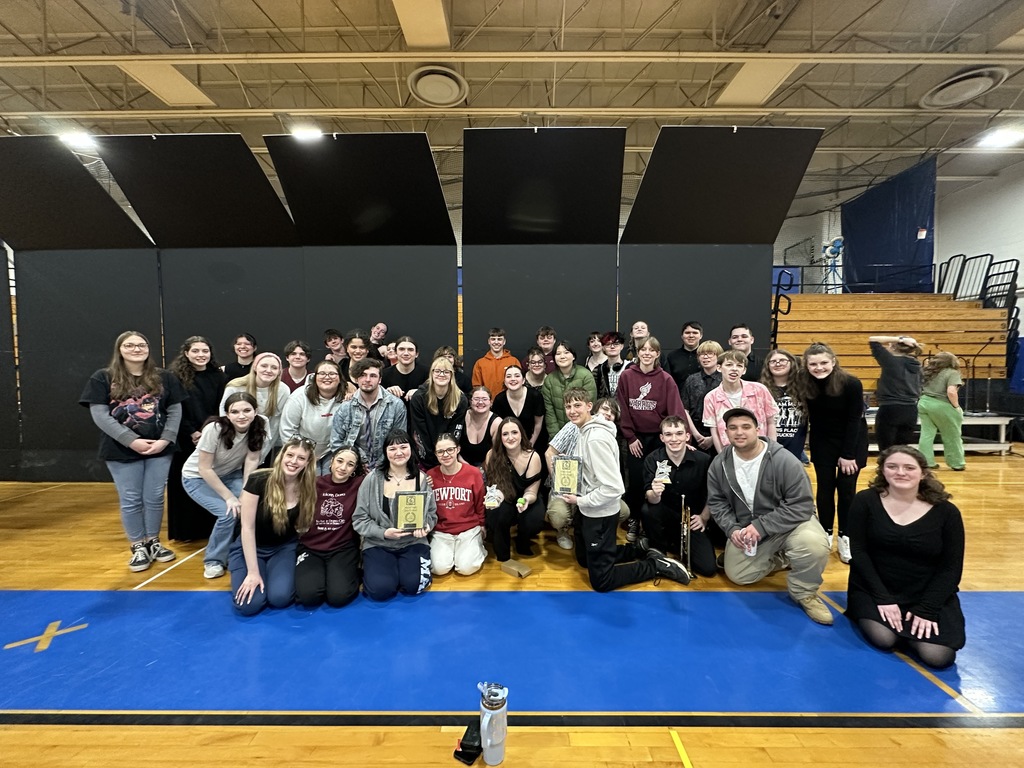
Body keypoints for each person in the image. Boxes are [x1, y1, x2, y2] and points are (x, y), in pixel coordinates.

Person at [707, 408, 833, 625]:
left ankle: (805, 593)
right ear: (725, 432)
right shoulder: (720, 464)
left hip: (791, 524)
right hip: (750, 529)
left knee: (813, 545)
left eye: (746, 427)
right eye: (733, 428)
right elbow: (717, 503)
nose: (739, 432)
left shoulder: (784, 460)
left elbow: (801, 505)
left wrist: (762, 526)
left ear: (758, 429)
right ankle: (783, 557)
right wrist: (732, 529)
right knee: (738, 575)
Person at [558, 388, 692, 591]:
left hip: (599, 512)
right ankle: (639, 549)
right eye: (568, 406)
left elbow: (613, 488)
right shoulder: (583, 431)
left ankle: (655, 565)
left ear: (589, 406)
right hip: (588, 509)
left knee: (602, 582)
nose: (572, 410)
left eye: (577, 405)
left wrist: (580, 501)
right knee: (584, 559)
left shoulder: (595, 439)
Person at [846, 446, 965, 668]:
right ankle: (901, 629)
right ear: (882, 471)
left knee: (938, 657)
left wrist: (927, 609)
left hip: (924, 589)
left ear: (923, 473)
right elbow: (859, 552)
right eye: (892, 466)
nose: (900, 472)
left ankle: (912, 629)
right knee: (884, 639)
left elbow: (951, 568)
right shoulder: (865, 501)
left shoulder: (947, 512)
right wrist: (883, 598)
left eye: (909, 467)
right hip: (876, 586)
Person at [80, 331, 187, 572]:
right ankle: (138, 546)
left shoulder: (165, 378)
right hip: (121, 449)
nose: (136, 349)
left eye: (141, 345)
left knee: (155, 497)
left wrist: (166, 439)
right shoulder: (103, 378)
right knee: (131, 499)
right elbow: (100, 415)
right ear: (120, 350)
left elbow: (175, 410)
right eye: (130, 345)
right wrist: (131, 440)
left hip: (160, 448)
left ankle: (153, 542)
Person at [181, 392, 270, 579]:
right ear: (227, 415)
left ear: (255, 411)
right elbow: (204, 469)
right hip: (197, 477)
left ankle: (239, 552)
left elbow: (252, 459)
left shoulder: (262, 423)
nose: (241, 415)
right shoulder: (214, 429)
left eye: (247, 410)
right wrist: (229, 497)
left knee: (251, 506)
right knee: (228, 513)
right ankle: (213, 560)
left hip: (231, 474)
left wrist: (247, 491)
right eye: (235, 411)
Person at [231, 436, 317, 615]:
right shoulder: (258, 479)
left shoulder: (308, 486)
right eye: (290, 455)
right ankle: (254, 571)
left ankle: (272, 576)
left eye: (301, 458)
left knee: (280, 598)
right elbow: (247, 528)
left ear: (308, 463)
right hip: (251, 546)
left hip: (283, 548)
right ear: (282, 455)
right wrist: (253, 572)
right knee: (249, 606)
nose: (293, 461)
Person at [800, 343, 869, 565]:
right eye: (813, 364)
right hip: (823, 441)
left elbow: (854, 419)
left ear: (833, 362)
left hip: (852, 440)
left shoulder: (851, 383)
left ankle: (845, 537)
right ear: (807, 365)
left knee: (847, 491)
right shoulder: (805, 383)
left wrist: (848, 454)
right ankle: (826, 534)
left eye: (823, 363)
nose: (819, 368)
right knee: (825, 489)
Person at [352, 429, 437, 601]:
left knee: (415, 586)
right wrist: (383, 533)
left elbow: (431, 514)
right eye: (392, 448)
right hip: (378, 543)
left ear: (411, 449)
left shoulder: (422, 479)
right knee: (380, 591)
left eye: (403, 447)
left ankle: (400, 571)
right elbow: (359, 519)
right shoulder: (372, 479)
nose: (398, 452)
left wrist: (426, 526)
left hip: (413, 542)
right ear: (385, 452)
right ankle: (384, 571)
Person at [545, 398, 630, 550]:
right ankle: (563, 531)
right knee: (559, 515)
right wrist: (561, 479)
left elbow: (611, 483)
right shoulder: (573, 426)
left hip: (590, 492)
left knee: (623, 511)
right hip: (567, 489)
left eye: (613, 413)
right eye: (605, 409)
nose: (608, 414)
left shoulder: (603, 435)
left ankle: (598, 534)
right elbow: (549, 453)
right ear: (593, 409)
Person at [615, 335, 684, 524]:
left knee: (659, 480)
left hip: (658, 438)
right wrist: (630, 437)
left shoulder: (666, 379)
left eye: (651, 350)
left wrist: (679, 439)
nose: (647, 353)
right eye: (643, 349)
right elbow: (622, 407)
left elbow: (675, 412)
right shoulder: (627, 376)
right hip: (636, 439)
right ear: (638, 353)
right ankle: (635, 520)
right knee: (636, 480)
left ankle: (653, 521)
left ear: (657, 353)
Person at [166, 335, 226, 542]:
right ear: (186, 353)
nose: (201, 355)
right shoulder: (174, 377)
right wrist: (191, 432)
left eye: (205, 351)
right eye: (196, 351)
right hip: (185, 438)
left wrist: (211, 431)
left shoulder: (217, 376)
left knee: (209, 482)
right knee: (184, 482)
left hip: (212, 436)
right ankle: (186, 532)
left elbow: (221, 406)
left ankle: (208, 530)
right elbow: (174, 409)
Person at [641, 415, 717, 576]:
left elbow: (715, 493)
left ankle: (672, 543)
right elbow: (650, 498)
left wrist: (704, 517)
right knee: (648, 509)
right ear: (662, 438)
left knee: (708, 569)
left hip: (691, 519)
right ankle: (659, 549)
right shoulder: (652, 459)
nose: (674, 439)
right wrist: (655, 493)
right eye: (668, 434)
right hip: (664, 515)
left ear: (687, 436)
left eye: (679, 433)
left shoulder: (703, 460)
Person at [295, 446, 365, 608]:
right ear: (331, 462)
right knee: (308, 597)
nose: (343, 467)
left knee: (338, 597)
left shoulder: (359, 484)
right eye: (340, 461)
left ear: (354, 469)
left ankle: (351, 574)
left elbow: (386, 477)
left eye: (350, 464)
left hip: (342, 548)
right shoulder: (313, 483)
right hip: (311, 548)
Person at [483, 417, 545, 560]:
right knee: (496, 514)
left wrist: (525, 500)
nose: (510, 437)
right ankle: (502, 552)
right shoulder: (491, 455)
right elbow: (495, 487)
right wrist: (496, 499)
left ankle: (522, 542)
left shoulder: (533, 456)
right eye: (505, 434)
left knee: (534, 522)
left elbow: (532, 491)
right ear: (500, 437)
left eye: (514, 433)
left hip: (526, 498)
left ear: (521, 434)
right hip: (504, 496)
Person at [329, 358, 408, 471]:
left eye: (373, 376)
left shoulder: (396, 405)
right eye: (363, 375)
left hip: (387, 466)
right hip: (354, 466)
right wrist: (357, 463)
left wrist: (380, 466)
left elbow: (399, 442)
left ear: (380, 379)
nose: (367, 379)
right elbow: (336, 442)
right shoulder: (345, 407)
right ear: (356, 379)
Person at [427, 433, 487, 576]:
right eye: (440, 451)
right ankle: (452, 553)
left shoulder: (473, 473)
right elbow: (426, 507)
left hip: (468, 529)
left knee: (466, 568)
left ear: (458, 449)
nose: (445, 454)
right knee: (438, 568)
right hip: (441, 532)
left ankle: (476, 548)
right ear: (435, 454)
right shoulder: (430, 476)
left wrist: (482, 525)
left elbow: (480, 502)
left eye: (450, 450)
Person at [702, 350, 778, 453]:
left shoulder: (760, 390)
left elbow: (771, 422)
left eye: (739, 366)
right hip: (729, 451)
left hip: (760, 449)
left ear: (744, 370)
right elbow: (714, 432)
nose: (734, 369)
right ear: (719, 368)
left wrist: (771, 451)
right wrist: (722, 455)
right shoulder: (711, 397)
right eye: (729, 365)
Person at [280, 359, 347, 474]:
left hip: (333, 451)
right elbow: (287, 430)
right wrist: (301, 455)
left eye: (332, 374)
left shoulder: (348, 398)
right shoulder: (299, 397)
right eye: (322, 373)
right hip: (303, 451)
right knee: (311, 481)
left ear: (340, 378)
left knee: (328, 483)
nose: (327, 377)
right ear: (315, 377)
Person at [221, 351, 291, 448]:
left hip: (260, 440)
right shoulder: (235, 387)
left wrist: (263, 450)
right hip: (233, 438)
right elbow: (224, 414)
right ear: (255, 367)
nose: (268, 370)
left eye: (274, 368)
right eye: (264, 366)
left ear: (279, 371)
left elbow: (275, 424)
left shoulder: (283, 390)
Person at [410, 357, 469, 469]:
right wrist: (432, 459)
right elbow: (420, 433)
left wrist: (446, 455)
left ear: (452, 375)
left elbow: (455, 431)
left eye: (446, 372)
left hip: (449, 457)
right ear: (431, 373)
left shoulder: (460, 399)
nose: (442, 374)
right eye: (437, 371)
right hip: (425, 457)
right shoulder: (419, 398)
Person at [868, 335, 923, 450]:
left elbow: (873, 339)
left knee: (886, 448)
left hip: (891, 408)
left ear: (893, 347)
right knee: (902, 448)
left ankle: (885, 467)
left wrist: (899, 339)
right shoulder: (916, 364)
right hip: (911, 409)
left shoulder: (890, 361)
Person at [917, 352, 965, 471]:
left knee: (927, 434)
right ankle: (957, 463)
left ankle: (926, 462)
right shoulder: (952, 373)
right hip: (942, 404)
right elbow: (951, 391)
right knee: (952, 435)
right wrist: (956, 407)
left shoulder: (928, 372)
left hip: (924, 402)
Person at [541, 340, 597, 437]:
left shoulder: (585, 375)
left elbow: (589, 407)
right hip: (559, 433)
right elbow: (549, 412)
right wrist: (557, 437)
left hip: (583, 431)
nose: (562, 356)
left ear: (573, 356)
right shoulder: (549, 380)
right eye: (558, 354)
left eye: (566, 352)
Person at [760, 348, 808, 460]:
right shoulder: (761, 389)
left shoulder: (803, 388)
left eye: (782, 360)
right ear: (767, 366)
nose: (777, 363)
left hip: (794, 445)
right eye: (773, 361)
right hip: (768, 445)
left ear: (791, 363)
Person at [493, 364, 546, 453]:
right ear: (505, 381)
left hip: (535, 442)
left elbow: (538, 424)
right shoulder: (499, 400)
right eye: (509, 376)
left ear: (523, 380)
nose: (513, 379)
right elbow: (498, 428)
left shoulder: (535, 396)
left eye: (517, 376)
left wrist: (530, 445)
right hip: (509, 444)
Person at [681, 340, 723, 454]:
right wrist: (695, 434)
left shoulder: (725, 379)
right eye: (702, 354)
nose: (706, 357)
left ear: (718, 356)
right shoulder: (691, 379)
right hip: (695, 432)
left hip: (720, 433)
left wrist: (713, 437)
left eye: (710, 353)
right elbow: (685, 409)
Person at [459, 386, 502, 468]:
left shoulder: (497, 423)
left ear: (491, 403)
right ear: (470, 402)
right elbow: (453, 444)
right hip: (461, 464)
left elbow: (496, 452)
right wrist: (466, 466)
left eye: (484, 399)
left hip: (487, 467)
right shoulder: (461, 416)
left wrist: (479, 470)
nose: (480, 402)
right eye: (476, 399)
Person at [381, 336, 428, 402]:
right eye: (401, 349)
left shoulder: (427, 373)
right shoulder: (384, 374)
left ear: (416, 354)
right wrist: (387, 392)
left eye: (410, 350)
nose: (406, 353)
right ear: (396, 353)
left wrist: (420, 392)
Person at [472, 327, 516, 397]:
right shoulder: (480, 363)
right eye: (493, 339)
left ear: (504, 341)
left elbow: (518, 384)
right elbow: (477, 387)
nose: (496, 342)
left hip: (509, 402)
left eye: (499, 339)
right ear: (489, 341)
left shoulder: (513, 361)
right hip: (487, 404)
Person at [662, 321, 703, 392]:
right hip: (678, 398)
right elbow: (667, 380)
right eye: (687, 333)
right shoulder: (672, 356)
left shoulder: (706, 356)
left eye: (695, 333)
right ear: (682, 336)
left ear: (701, 336)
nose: (691, 335)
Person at [593, 330, 631, 400]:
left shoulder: (631, 368)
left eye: (616, 344)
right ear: (603, 347)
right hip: (605, 408)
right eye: (608, 344)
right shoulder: (598, 370)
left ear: (622, 346)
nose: (612, 347)